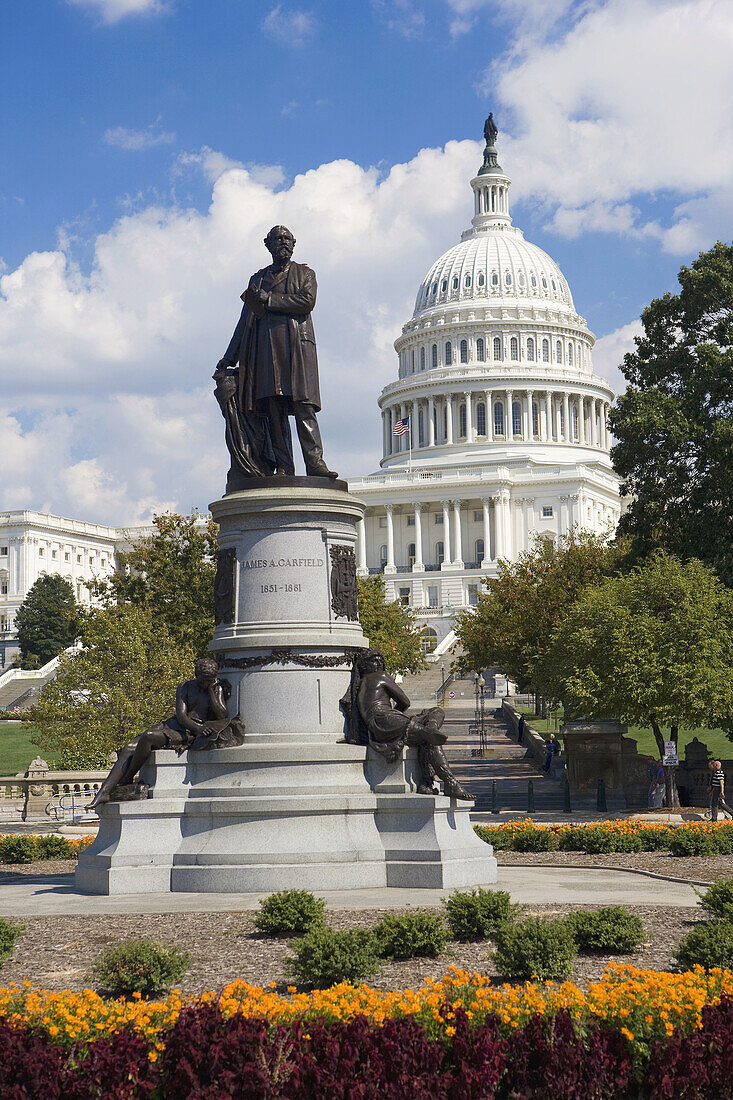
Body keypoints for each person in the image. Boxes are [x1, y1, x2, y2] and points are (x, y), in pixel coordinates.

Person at [216, 225, 338, 481]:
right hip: (265, 353)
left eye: (286, 239)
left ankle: (315, 464)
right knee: (274, 411)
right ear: (268, 245)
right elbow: (244, 320)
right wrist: (230, 356)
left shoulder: (305, 273)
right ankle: (285, 466)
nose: (283, 243)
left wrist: (268, 299)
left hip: (296, 350)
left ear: (294, 244)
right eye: (277, 240)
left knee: (304, 408)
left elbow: (306, 302)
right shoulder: (257, 279)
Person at [88, 658, 245, 809]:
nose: (206, 683)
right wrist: (199, 728)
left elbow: (222, 715)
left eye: (209, 679)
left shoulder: (216, 688)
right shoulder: (185, 687)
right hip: (179, 725)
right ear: (197, 675)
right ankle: (105, 791)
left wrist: (212, 691)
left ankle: (121, 782)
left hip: (189, 734)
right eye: (203, 679)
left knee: (148, 736)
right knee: (129, 747)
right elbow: (181, 716)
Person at [340, 648, 473, 800]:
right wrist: (397, 718)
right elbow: (405, 702)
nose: (378, 663)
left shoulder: (359, 685)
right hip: (385, 718)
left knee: (430, 724)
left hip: (377, 725)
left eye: (380, 660)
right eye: (374, 660)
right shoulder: (380, 676)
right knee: (432, 725)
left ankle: (426, 780)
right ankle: (449, 782)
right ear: (363, 665)